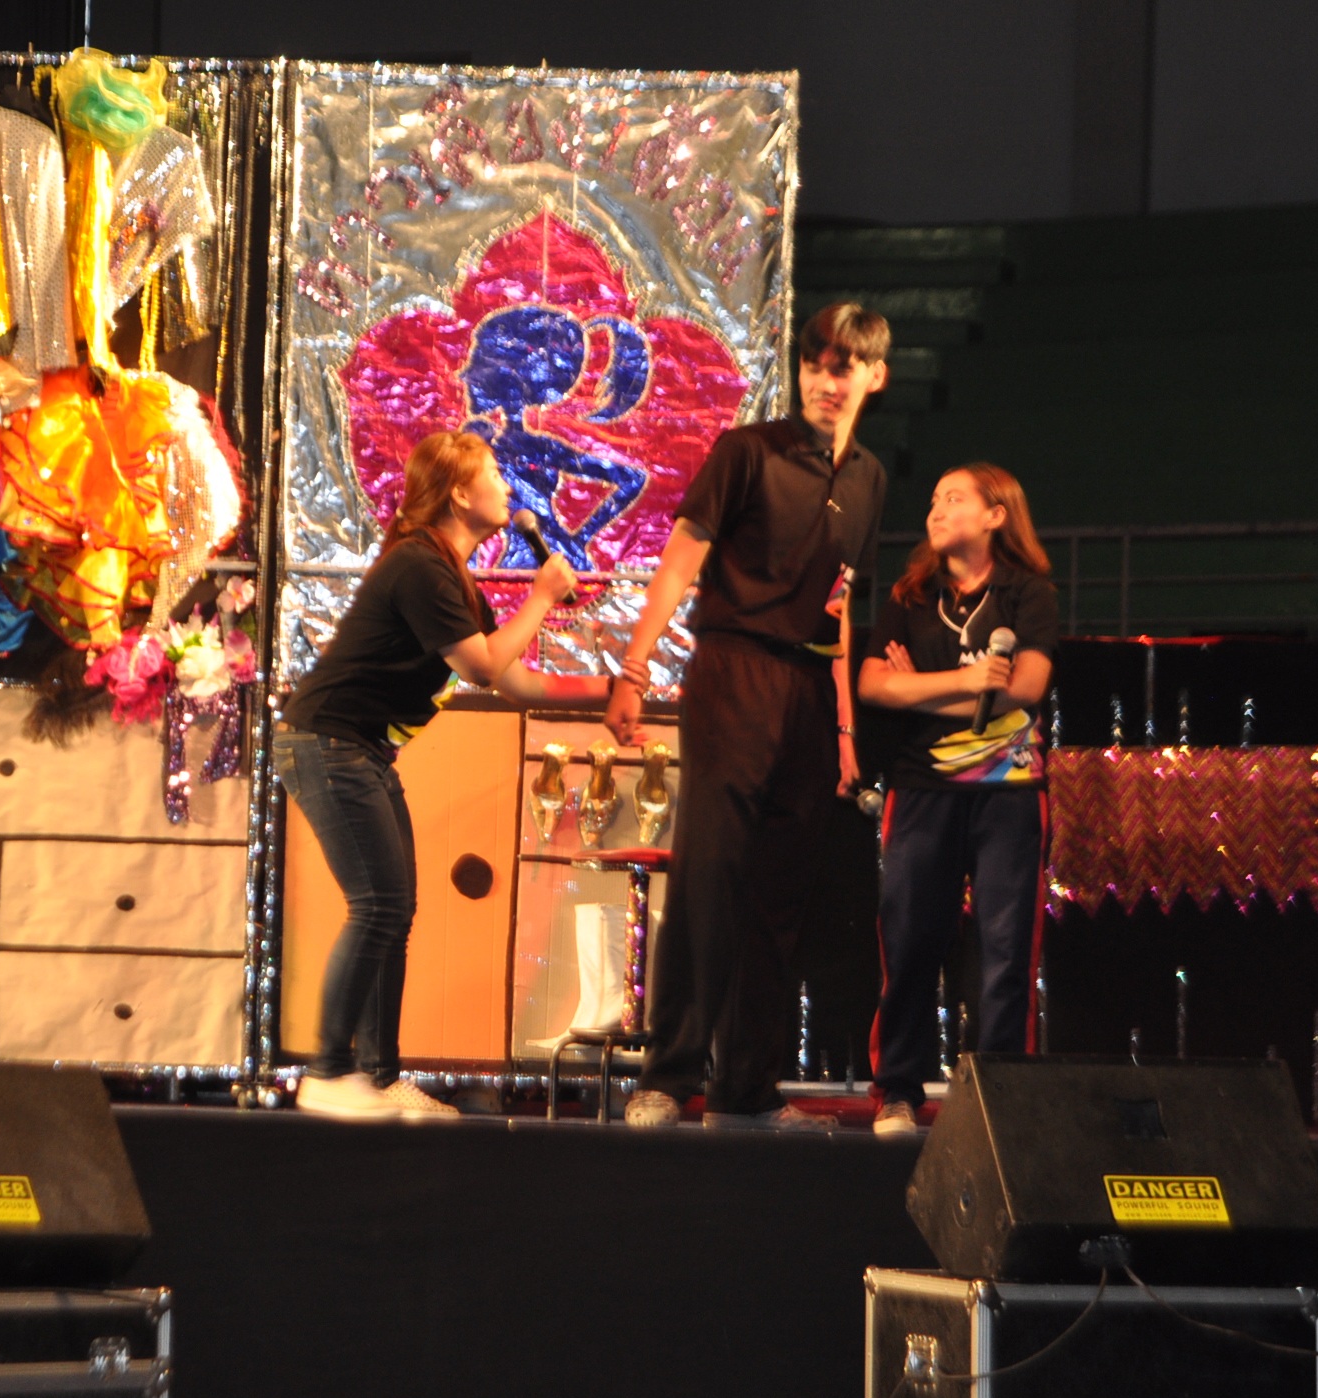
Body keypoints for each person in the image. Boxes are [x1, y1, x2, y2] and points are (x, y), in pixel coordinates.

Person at [606, 302, 890, 1131]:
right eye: (813, 365)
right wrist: (633, 666)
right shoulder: (748, 451)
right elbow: (682, 557)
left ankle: (748, 1088)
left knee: (781, 891)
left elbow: (840, 606)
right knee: (709, 874)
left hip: (809, 691)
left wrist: (845, 729)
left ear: (875, 376)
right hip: (734, 669)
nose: (824, 381)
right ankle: (669, 1076)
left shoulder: (869, 478)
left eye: (842, 368)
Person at [279, 430, 608, 1120]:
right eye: (493, 474)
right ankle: (328, 1072)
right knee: (378, 905)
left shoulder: (451, 578)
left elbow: (520, 683)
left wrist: (615, 691)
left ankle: (377, 1077)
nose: (507, 487)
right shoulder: (420, 564)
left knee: (392, 912)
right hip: (328, 742)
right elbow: (483, 668)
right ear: (460, 493)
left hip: (361, 751)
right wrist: (542, 596)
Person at [857, 463, 1058, 1136]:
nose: (936, 511)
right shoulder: (911, 595)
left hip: (1010, 792)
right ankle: (898, 1090)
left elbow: (1025, 688)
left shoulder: (1028, 592)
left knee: (1005, 948)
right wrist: (969, 682)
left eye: (953, 498)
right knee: (910, 938)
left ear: (996, 515)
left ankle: (998, 1099)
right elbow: (874, 686)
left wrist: (920, 689)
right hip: (922, 788)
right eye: (933, 500)